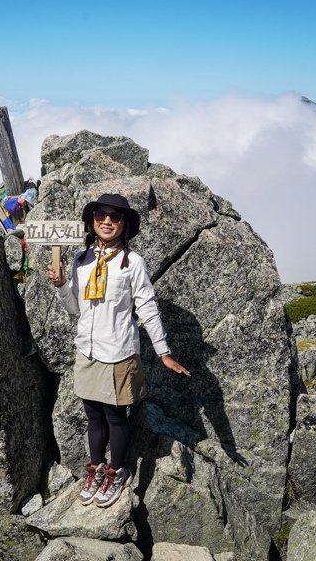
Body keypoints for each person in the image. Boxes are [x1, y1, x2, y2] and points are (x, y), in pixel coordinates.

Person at [47, 193, 190, 508]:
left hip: (119, 352)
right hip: (87, 349)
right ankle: (95, 468)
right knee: (93, 416)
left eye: (115, 216)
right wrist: (61, 287)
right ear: (92, 220)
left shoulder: (133, 263)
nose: (107, 221)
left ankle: (117, 470)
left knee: (115, 416)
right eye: (101, 215)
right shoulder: (81, 261)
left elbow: (148, 309)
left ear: (125, 225)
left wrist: (163, 351)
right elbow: (75, 310)